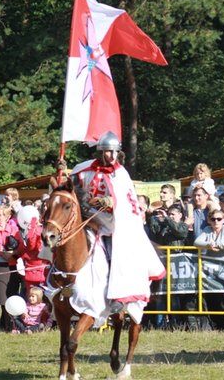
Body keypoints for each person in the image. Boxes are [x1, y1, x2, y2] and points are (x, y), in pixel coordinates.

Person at [69, 131, 165, 316]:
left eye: (114, 152)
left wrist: (112, 202)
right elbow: (70, 190)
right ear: (100, 152)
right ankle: (58, 288)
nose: (112, 156)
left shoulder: (120, 174)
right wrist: (63, 172)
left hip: (112, 227)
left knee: (116, 257)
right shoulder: (83, 169)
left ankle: (114, 295)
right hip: (87, 222)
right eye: (107, 152)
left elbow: (128, 203)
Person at [194, 209, 224, 329]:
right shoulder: (207, 230)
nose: (216, 222)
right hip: (209, 270)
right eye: (213, 219)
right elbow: (196, 242)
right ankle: (215, 324)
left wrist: (220, 245)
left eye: (219, 219)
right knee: (211, 296)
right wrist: (208, 245)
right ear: (209, 220)